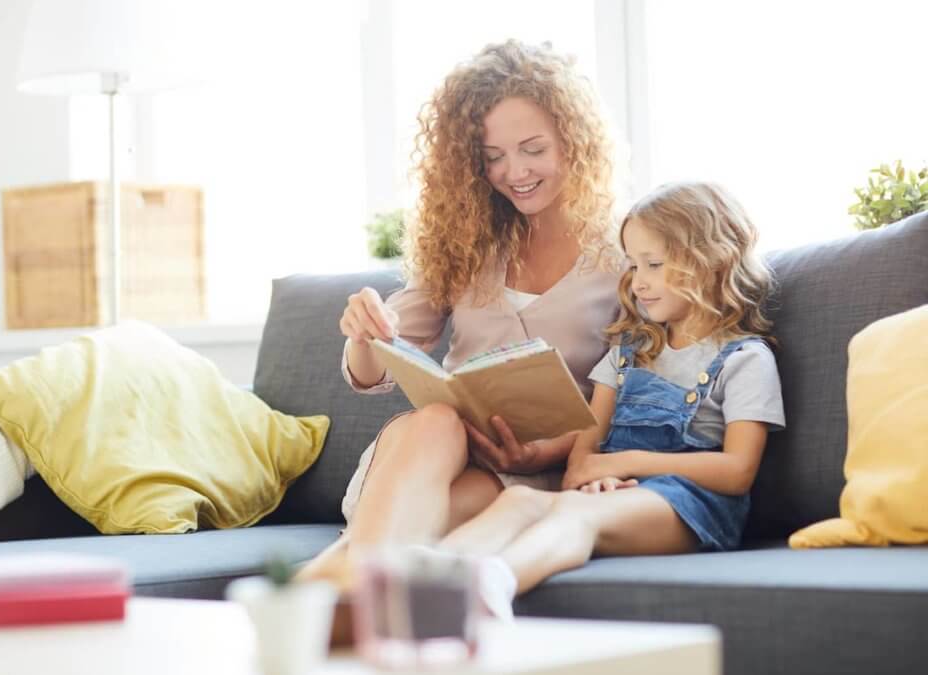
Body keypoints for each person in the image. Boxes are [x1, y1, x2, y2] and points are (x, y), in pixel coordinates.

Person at [295, 40, 624, 583]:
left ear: (575, 141)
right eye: (493, 157)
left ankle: (321, 596)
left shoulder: (626, 252)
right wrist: (364, 331)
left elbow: (636, 393)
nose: (513, 171)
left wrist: (542, 452)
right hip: (429, 456)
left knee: (418, 523)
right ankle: (348, 601)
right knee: (438, 419)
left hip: (534, 476)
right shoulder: (468, 243)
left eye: (532, 149)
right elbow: (373, 370)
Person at [433, 181, 786, 614]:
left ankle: (484, 593)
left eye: (653, 264)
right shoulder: (627, 351)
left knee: (577, 515)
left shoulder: (745, 359)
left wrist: (624, 463)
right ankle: (420, 577)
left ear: (709, 263)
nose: (638, 283)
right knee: (520, 499)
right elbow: (582, 457)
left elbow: (737, 472)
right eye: (634, 267)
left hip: (693, 508)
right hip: (613, 493)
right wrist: (592, 477)